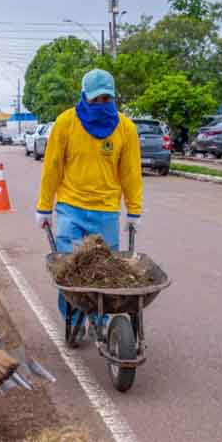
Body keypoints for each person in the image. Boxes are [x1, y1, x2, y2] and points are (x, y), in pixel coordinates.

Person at [36, 69, 143, 329]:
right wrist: (44, 207)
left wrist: (134, 211)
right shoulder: (66, 123)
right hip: (70, 208)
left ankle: (102, 321)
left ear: (113, 98)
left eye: (106, 99)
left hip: (106, 212)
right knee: (69, 271)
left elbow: (130, 172)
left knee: (106, 273)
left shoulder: (125, 128)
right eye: (95, 100)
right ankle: (71, 318)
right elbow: (52, 167)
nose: (100, 105)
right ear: (84, 96)